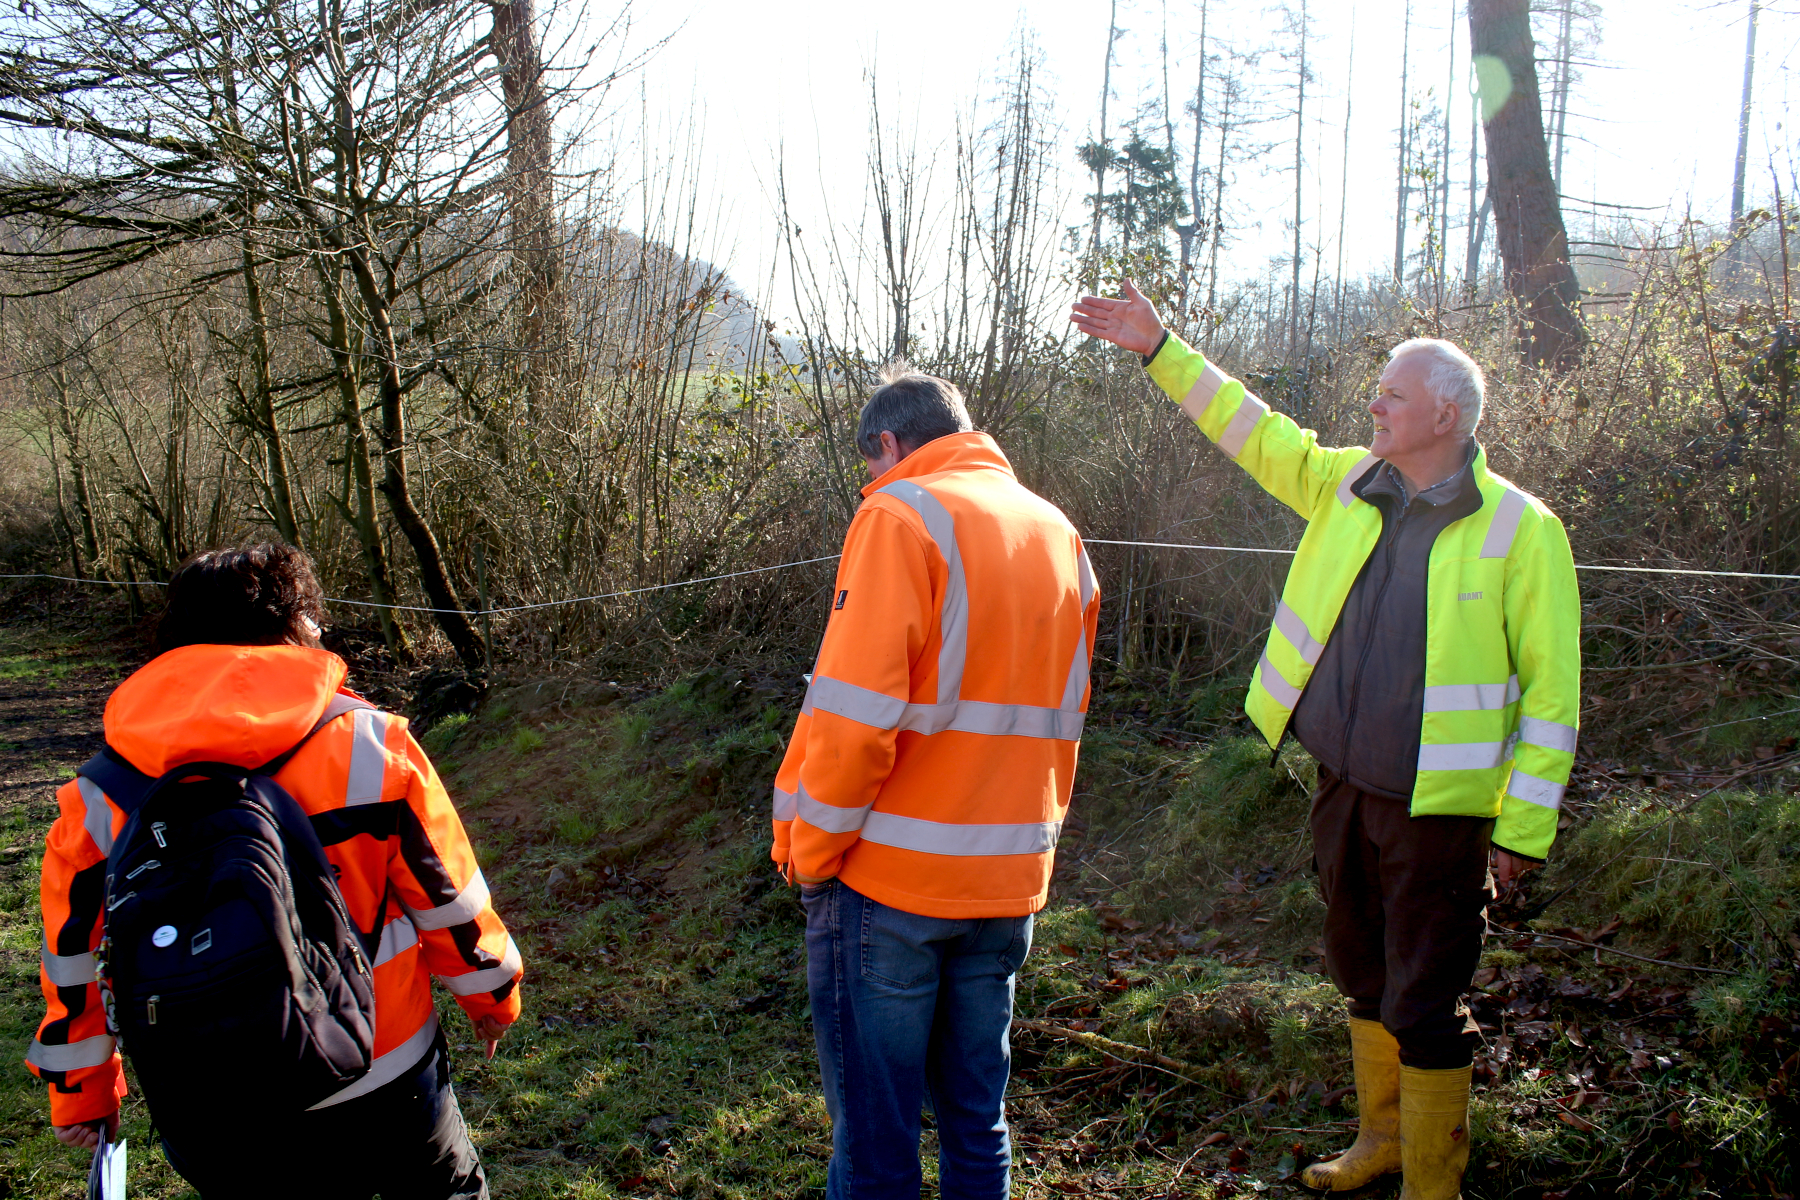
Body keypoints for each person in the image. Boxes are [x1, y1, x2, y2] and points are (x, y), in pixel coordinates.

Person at [1070, 284, 1580, 1200]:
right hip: (1339, 783)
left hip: (1440, 815)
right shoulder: (1347, 482)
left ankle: (1434, 1182)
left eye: (1391, 394)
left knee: (1425, 1001)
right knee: (1359, 971)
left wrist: (1521, 833)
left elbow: (1552, 699)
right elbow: (1255, 430)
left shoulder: (1523, 531)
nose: (1373, 405)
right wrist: (1160, 349)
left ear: (1446, 414)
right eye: (1375, 392)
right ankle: (1381, 1139)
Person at [29, 543, 521, 1199]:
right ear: (297, 628)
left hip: (215, 1104)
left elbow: (71, 966)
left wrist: (83, 1093)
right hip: (385, 1072)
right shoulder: (370, 745)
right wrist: (492, 997)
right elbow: (449, 899)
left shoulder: (99, 796)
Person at [771, 363, 1101, 1199]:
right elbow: (1064, 709)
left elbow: (853, 721)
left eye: (868, 466)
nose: (868, 484)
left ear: (887, 444)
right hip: (1009, 881)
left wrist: (812, 854)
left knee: (877, 1141)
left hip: (892, 886)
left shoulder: (900, 512)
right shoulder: (1057, 530)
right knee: (975, 1122)